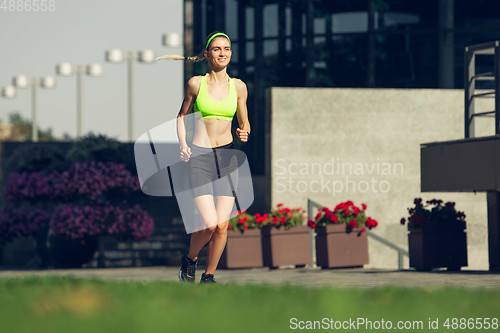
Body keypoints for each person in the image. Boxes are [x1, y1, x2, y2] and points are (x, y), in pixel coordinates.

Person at [174, 32, 250, 283]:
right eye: (216, 49)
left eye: (226, 49)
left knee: (221, 226)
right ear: (207, 54)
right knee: (208, 223)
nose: (222, 53)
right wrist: (183, 144)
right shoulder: (196, 83)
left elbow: (244, 120)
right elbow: (181, 116)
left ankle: (209, 276)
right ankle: (191, 259)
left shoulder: (239, 87)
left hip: (227, 157)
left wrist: (244, 130)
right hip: (200, 157)